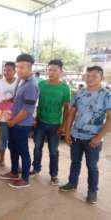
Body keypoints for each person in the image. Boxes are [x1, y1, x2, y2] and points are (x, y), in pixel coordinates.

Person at [59, 66, 111, 204]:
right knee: (75, 162)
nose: (90, 78)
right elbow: (71, 113)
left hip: (93, 138)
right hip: (76, 135)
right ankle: (72, 183)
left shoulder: (106, 95)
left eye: (94, 76)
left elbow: (110, 119)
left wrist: (98, 137)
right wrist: (68, 132)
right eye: (88, 75)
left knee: (92, 166)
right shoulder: (78, 93)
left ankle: (92, 191)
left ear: (102, 78)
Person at [0, 54, 38, 189]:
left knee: (23, 151)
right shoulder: (21, 81)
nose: (19, 70)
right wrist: (8, 101)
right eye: (18, 67)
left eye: (22, 67)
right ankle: (14, 172)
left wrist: (13, 122)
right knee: (13, 148)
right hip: (14, 122)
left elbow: (27, 110)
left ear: (30, 68)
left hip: (21, 125)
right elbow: (17, 99)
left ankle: (25, 178)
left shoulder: (31, 85)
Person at [31, 59, 70, 186]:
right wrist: (34, 118)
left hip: (55, 125)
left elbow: (67, 109)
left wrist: (63, 126)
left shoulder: (65, 88)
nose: (51, 72)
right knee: (37, 148)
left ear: (61, 71)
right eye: (50, 69)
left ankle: (54, 175)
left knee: (53, 151)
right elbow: (34, 103)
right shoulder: (41, 84)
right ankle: (36, 169)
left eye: (54, 70)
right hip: (40, 122)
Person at [0, 61, 17, 170]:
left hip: (16, 117)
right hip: (2, 117)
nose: (6, 72)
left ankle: (15, 164)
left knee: (15, 141)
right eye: (5, 70)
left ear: (14, 71)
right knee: (2, 140)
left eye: (9, 70)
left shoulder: (19, 82)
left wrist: (10, 100)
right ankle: (1, 160)